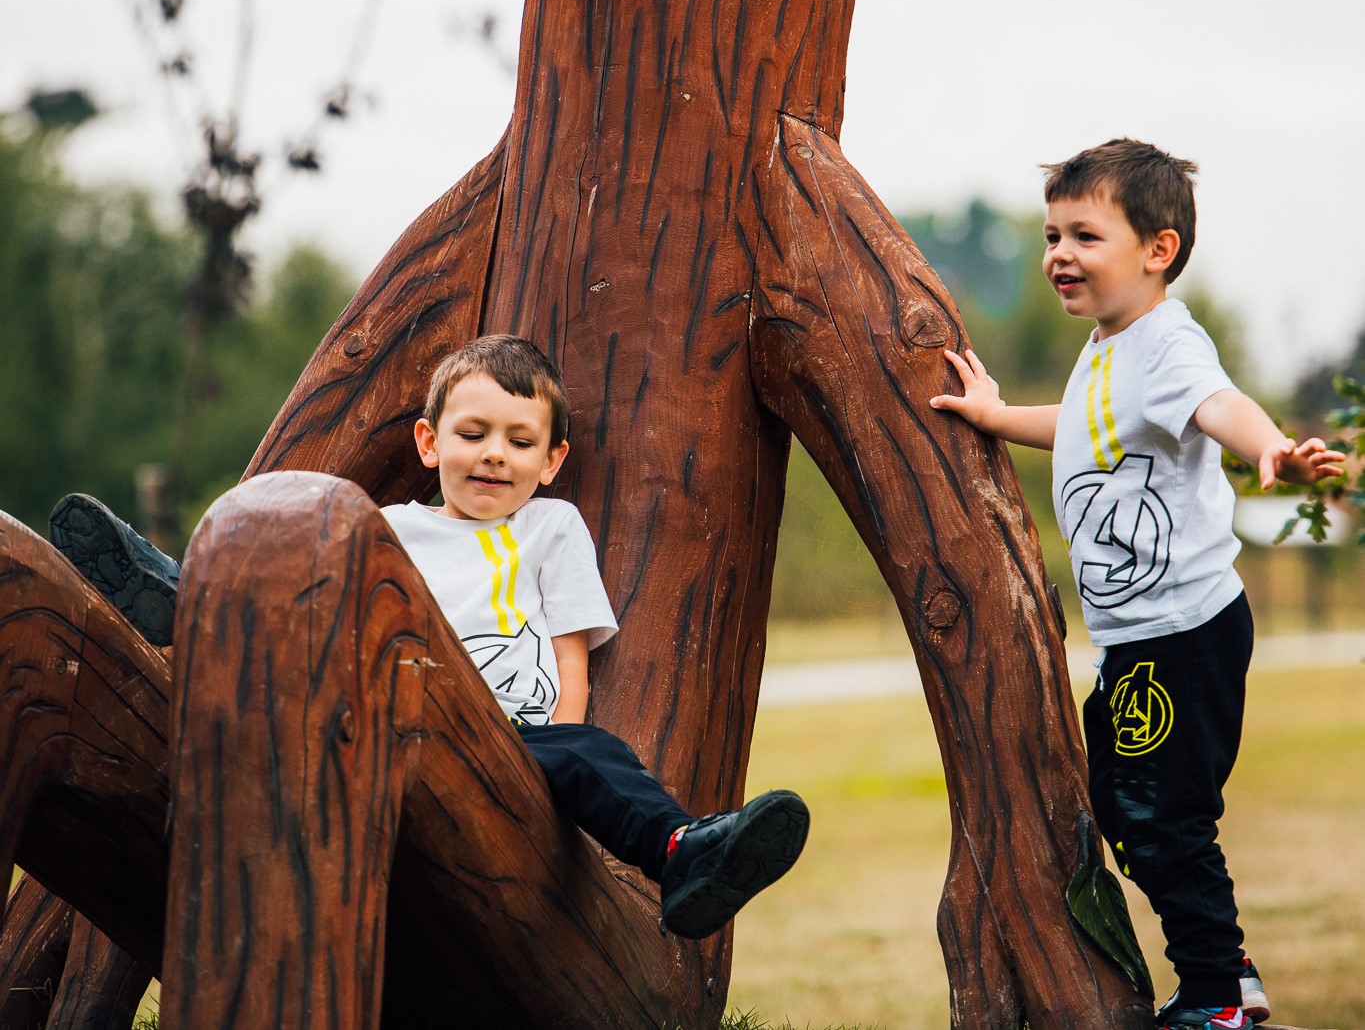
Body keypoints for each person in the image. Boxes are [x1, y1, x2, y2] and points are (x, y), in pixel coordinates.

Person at [48, 333, 809, 941]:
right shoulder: (389, 525)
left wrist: (560, 751)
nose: (492, 454)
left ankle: (684, 852)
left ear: (551, 462)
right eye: (472, 432)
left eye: (518, 441)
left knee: (592, 752)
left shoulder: (549, 526)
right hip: (378, 706)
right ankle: (188, 596)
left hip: (508, 741)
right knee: (306, 599)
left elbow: (571, 654)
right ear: (428, 442)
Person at [928, 138, 1344, 1030]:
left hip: (1180, 635)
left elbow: (1215, 403)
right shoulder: (1106, 350)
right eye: (1050, 235)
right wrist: (997, 415)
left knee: (1163, 816)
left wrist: (1266, 446)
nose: (1058, 255)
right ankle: (1224, 968)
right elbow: (1082, 426)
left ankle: (1215, 998)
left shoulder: (1164, 342)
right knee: (1123, 803)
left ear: (1157, 250)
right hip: (1138, 641)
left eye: (1084, 234)